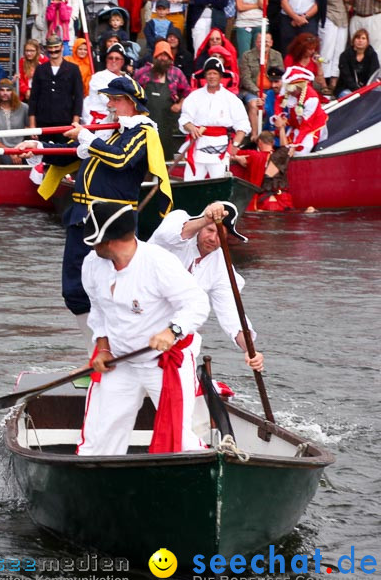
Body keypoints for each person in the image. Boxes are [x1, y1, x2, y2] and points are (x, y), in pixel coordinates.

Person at [24, 76, 173, 324]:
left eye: (116, 100)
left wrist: (86, 137)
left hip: (113, 219)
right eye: (109, 99)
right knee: (75, 287)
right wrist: (39, 147)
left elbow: (120, 159)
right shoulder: (108, 132)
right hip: (83, 215)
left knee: (112, 285)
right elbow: (72, 155)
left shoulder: (142, 131)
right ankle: (96, 347)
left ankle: (113, 343)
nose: (110, 105)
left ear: (133, 103)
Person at [76, 201, 211, 456]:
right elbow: (98, 311)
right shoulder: (92, 264)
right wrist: (103, 349)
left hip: (163, 362)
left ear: (110, 241)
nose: (92, 247)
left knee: (181, 440)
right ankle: (97, 480)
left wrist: (172, 331)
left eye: (95, 242)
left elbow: (197, 303)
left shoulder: (159, 263)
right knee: (101, 439)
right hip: (120, 359)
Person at [150, 201, 264, 367]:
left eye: (220, 235)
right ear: (201, 226)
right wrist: (206, 219)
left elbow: (231, 312)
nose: (213, 238)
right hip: (137, 317)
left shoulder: (222, 267)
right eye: (210, 230)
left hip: (175, 332)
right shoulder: (179, 220)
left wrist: (250, 350)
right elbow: (168, 235)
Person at [178, 56, 249, 181]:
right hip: (197, 146)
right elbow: (184, 119)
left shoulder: (231, 98)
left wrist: (236, 145)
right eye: (209, 73)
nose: (211, 76)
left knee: (220, 186)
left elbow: (242, 124)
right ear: (205, 76)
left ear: (221, 76)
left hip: (220, 148)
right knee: (191, 184)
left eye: (215, 73)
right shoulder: (194, 96)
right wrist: (191, 127)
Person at [134, 40, 191, 157]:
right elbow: (131, 93)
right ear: (155, 56)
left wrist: (180, 105)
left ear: (170, 58)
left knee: (165, 159)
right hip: (145, 124)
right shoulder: (142, 73)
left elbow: (188, 92)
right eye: (160, 55)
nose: (163, 58)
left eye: (166, 55)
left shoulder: (177, 73)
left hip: (168, 127)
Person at [28, 35, 84, 141]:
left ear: (62, 47)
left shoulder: (73, 69)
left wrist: (75, 122)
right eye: (51, 49)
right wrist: (32, 124)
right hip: (43, 120)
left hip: (65, 120)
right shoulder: (40, 69)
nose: (53, 51)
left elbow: (78, 97)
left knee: (63, 155)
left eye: (56, 48)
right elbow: (33, 98)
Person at [239, 30, 285, 138]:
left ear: (272, 42)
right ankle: (255, 135)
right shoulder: (247, 56)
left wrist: (270, 93)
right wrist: (258, 92)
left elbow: (280, 76)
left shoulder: (277, 55)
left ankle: (272, 133)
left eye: (267, 41)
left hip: (271, 89)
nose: (264, 44)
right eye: (260, 41)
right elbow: (246, 79)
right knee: (254, 105)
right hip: (253, 90)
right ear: (256, 42)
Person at [273, 65, 327, 153]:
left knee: (299, 152)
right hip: (295, 125)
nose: (290, 93)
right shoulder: (288, 89)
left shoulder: (311, 99)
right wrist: (279, 117)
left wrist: (295, 144)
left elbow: (306, 126)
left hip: (312, 128)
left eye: (292, 90)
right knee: (284, 149)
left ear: (300, 87)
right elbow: (278, 101)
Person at [319, 0, 352, 93]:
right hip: (330, 17)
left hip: (343, 19)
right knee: (327, 49)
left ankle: (334, 79)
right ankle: (323, 81)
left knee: (339, 50)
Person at [0, 79, 29, 164]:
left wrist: (19, 150)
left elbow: (29, 132)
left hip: (21, 148)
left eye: (8, 90)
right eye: (2, 90)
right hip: (1, 149)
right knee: (6, 160)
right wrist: (10, 152)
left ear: (13, 92)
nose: (5, 93)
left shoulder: (24, 108)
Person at [336, 29, 380, 98]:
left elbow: (373, 74)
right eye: (358, 38)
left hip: (367, 89)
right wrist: (358, 91)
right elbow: (346, 76)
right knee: (351, 98)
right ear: (353, 40)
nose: (360, 41)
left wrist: (365, 90)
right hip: (347, 88)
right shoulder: (345, 55)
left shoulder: (372, 55)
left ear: (367, 41)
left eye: (363, 38)